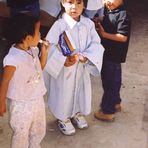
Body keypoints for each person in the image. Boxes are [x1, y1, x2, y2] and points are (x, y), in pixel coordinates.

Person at [43, 0, 104, 136]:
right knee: (64, 92)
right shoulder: (59, 25)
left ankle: (76, 113)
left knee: (80, 90)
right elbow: (49, 47)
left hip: (81, 68)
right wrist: (63, 60)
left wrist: (87, 56)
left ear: (84, 5)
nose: (74, 7)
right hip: (65, 70)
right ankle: (63, 118)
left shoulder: (88, 24)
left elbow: (96, 43)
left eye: (78, 3)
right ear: (63, 3)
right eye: (70, 2)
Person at [0, 13, 49, 148]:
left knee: (39, 128)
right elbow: (5, 81)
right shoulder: (13, 59)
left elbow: (39, 69)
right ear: (27, 38)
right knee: (21, 132)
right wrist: (1, 102)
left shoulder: (32, 49)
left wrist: (44, 53)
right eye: (38, 32)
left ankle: (34, 145)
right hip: (21, 104)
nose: (40, 35)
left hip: (37, 98)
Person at [94, 0, 131, 121]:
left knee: (109, 83)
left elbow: (123, 37)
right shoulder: (111, 11)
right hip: (110, 55)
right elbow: (109, 20)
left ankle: (107, 111)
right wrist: (99, 21)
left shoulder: (123, 15)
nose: (108, 1)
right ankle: (116, 102)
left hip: (113, 55)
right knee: (114, 81)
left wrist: (104, 35)